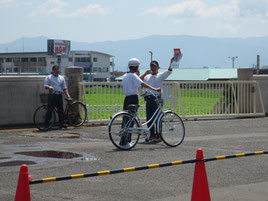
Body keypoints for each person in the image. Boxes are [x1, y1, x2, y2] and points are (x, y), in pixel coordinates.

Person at [120, 58, 161, 145]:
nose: (138, 68)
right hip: (133, 98)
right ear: (134, 67)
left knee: (125, 120)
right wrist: (155, 89)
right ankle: (127, 141)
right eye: (137, 66)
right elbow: (142, 83)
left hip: (126, 98)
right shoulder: (133, 76)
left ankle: (123, 141)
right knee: (131, 121)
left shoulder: (125, 76)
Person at [140, 57, 176, 143]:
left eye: (154, 66)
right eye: (151, 66)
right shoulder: (147, 76)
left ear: (158, 67)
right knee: (149, 118)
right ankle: (152, 135)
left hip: (157, 98)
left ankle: (159, 135)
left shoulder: (160, 75)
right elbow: (139, 80)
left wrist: (171, 62)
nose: (153, 68)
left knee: (158, 118)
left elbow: (169, 71)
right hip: (148, 98)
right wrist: (145, 73)